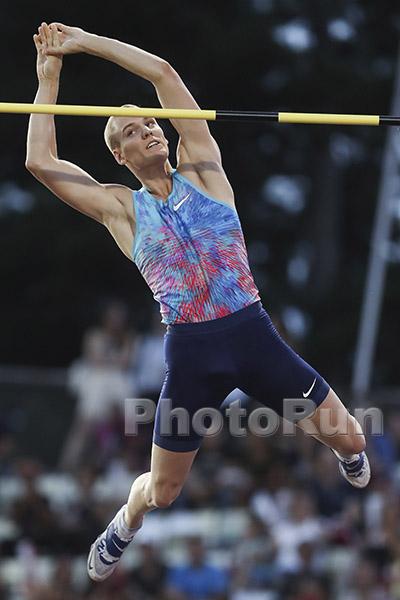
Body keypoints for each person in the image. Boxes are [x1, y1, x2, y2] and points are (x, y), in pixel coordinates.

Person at [26, 21, 370, 583]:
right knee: (162, 491)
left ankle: (341, 447)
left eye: (150, 122)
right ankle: (125, 521)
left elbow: (162, 73)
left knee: (353, 438)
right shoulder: (121, 209)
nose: (149, 130)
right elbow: (41, 162)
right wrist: (50, 75)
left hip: (252, 334)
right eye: (133, 131)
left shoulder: (204, 167)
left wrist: (85, 42)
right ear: (119, 154)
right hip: (192, 353)